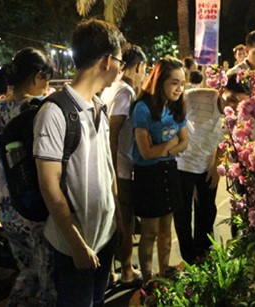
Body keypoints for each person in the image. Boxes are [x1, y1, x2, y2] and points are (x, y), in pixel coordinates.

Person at [33, 19, 126, 306]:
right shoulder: (54, 112)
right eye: (121, 61)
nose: (121, 70)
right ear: (108, 60)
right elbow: (49, 186)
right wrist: (76, 244)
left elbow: (107, 171)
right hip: (75, 248)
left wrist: (118, 223)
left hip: (104, 239)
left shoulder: (99, 106)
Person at [0, 48, 56, 306]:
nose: (47, 87)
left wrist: (4, 175)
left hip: (8, 209)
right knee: (48, 280)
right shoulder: (39, 110)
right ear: (37, 76)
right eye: (46, 79)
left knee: (26, 270)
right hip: (36, 208)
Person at [174, 74, 250, 264]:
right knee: (182, 214)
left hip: (207, 164)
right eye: (231, 99)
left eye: (240, 103)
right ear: (222, 90)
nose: (233, 106)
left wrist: (217, 165)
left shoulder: (239, 114)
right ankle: (189, 257)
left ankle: (204, 253)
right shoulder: (196, 96)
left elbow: (228, 142)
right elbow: (173, 111)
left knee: (207, 210)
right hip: (182, 162)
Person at [130, 56, 188, 285]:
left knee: (166, 230)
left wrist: (164, 149)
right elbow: (145, 152)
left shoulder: (176, 106)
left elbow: (185, 142)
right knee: (150, 232)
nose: (179, 88)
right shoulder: (142, 109)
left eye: (182, 83)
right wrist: (170, 146)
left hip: (169, 171)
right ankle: (147, 278)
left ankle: (164, 274)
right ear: (160, 80)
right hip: (148, 176)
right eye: (174, 82)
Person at [100, 44, 147, 288]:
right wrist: (112, 170)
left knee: (113, 221)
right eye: (144, 69)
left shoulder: (111, 88)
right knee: (124, 221)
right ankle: (127, 270)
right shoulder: (125, 91)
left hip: (112, 167)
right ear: (138, 66)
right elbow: (113, 131)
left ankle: (109, 272)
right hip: (120, 168)